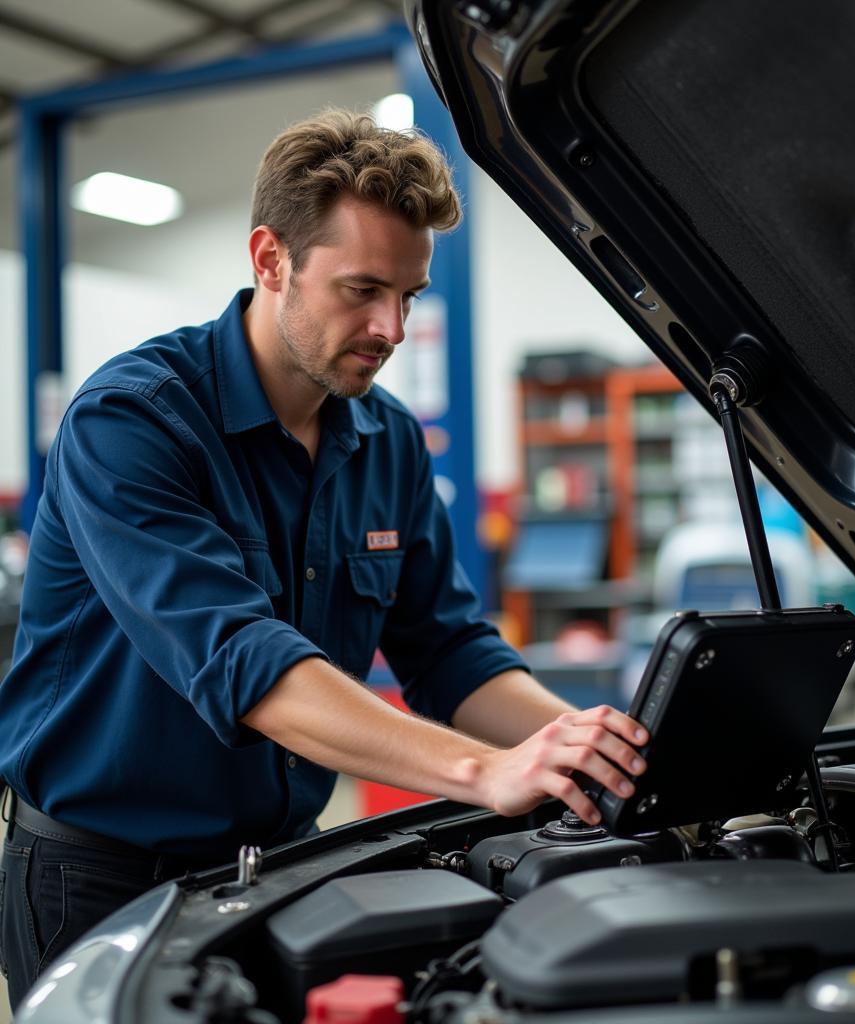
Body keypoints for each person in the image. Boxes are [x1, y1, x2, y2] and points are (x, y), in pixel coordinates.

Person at [0, 109, 646, 1009]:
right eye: (363, 289)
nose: (391, 327)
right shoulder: (133, 422)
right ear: (271, 260)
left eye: (410, 297)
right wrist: (481, 772)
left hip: (280, 862)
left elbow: (449, 650)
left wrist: (573, 747)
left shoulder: (389, 441)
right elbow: (245, 662)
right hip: (101, 874)